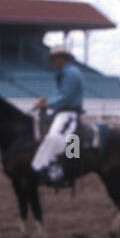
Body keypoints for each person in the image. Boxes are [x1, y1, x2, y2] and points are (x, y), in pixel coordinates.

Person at [30, 45, 84, 186]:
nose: (52, 62)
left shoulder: (71, 73)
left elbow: (65, 98)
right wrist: (47, 101)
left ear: (61, 59)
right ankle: (41, 168)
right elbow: (62, 96)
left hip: (69, 114)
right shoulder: (66, 72)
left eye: (54, 59)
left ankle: (54, 172)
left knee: (54, 137)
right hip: (62, 112)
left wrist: (45, 105)